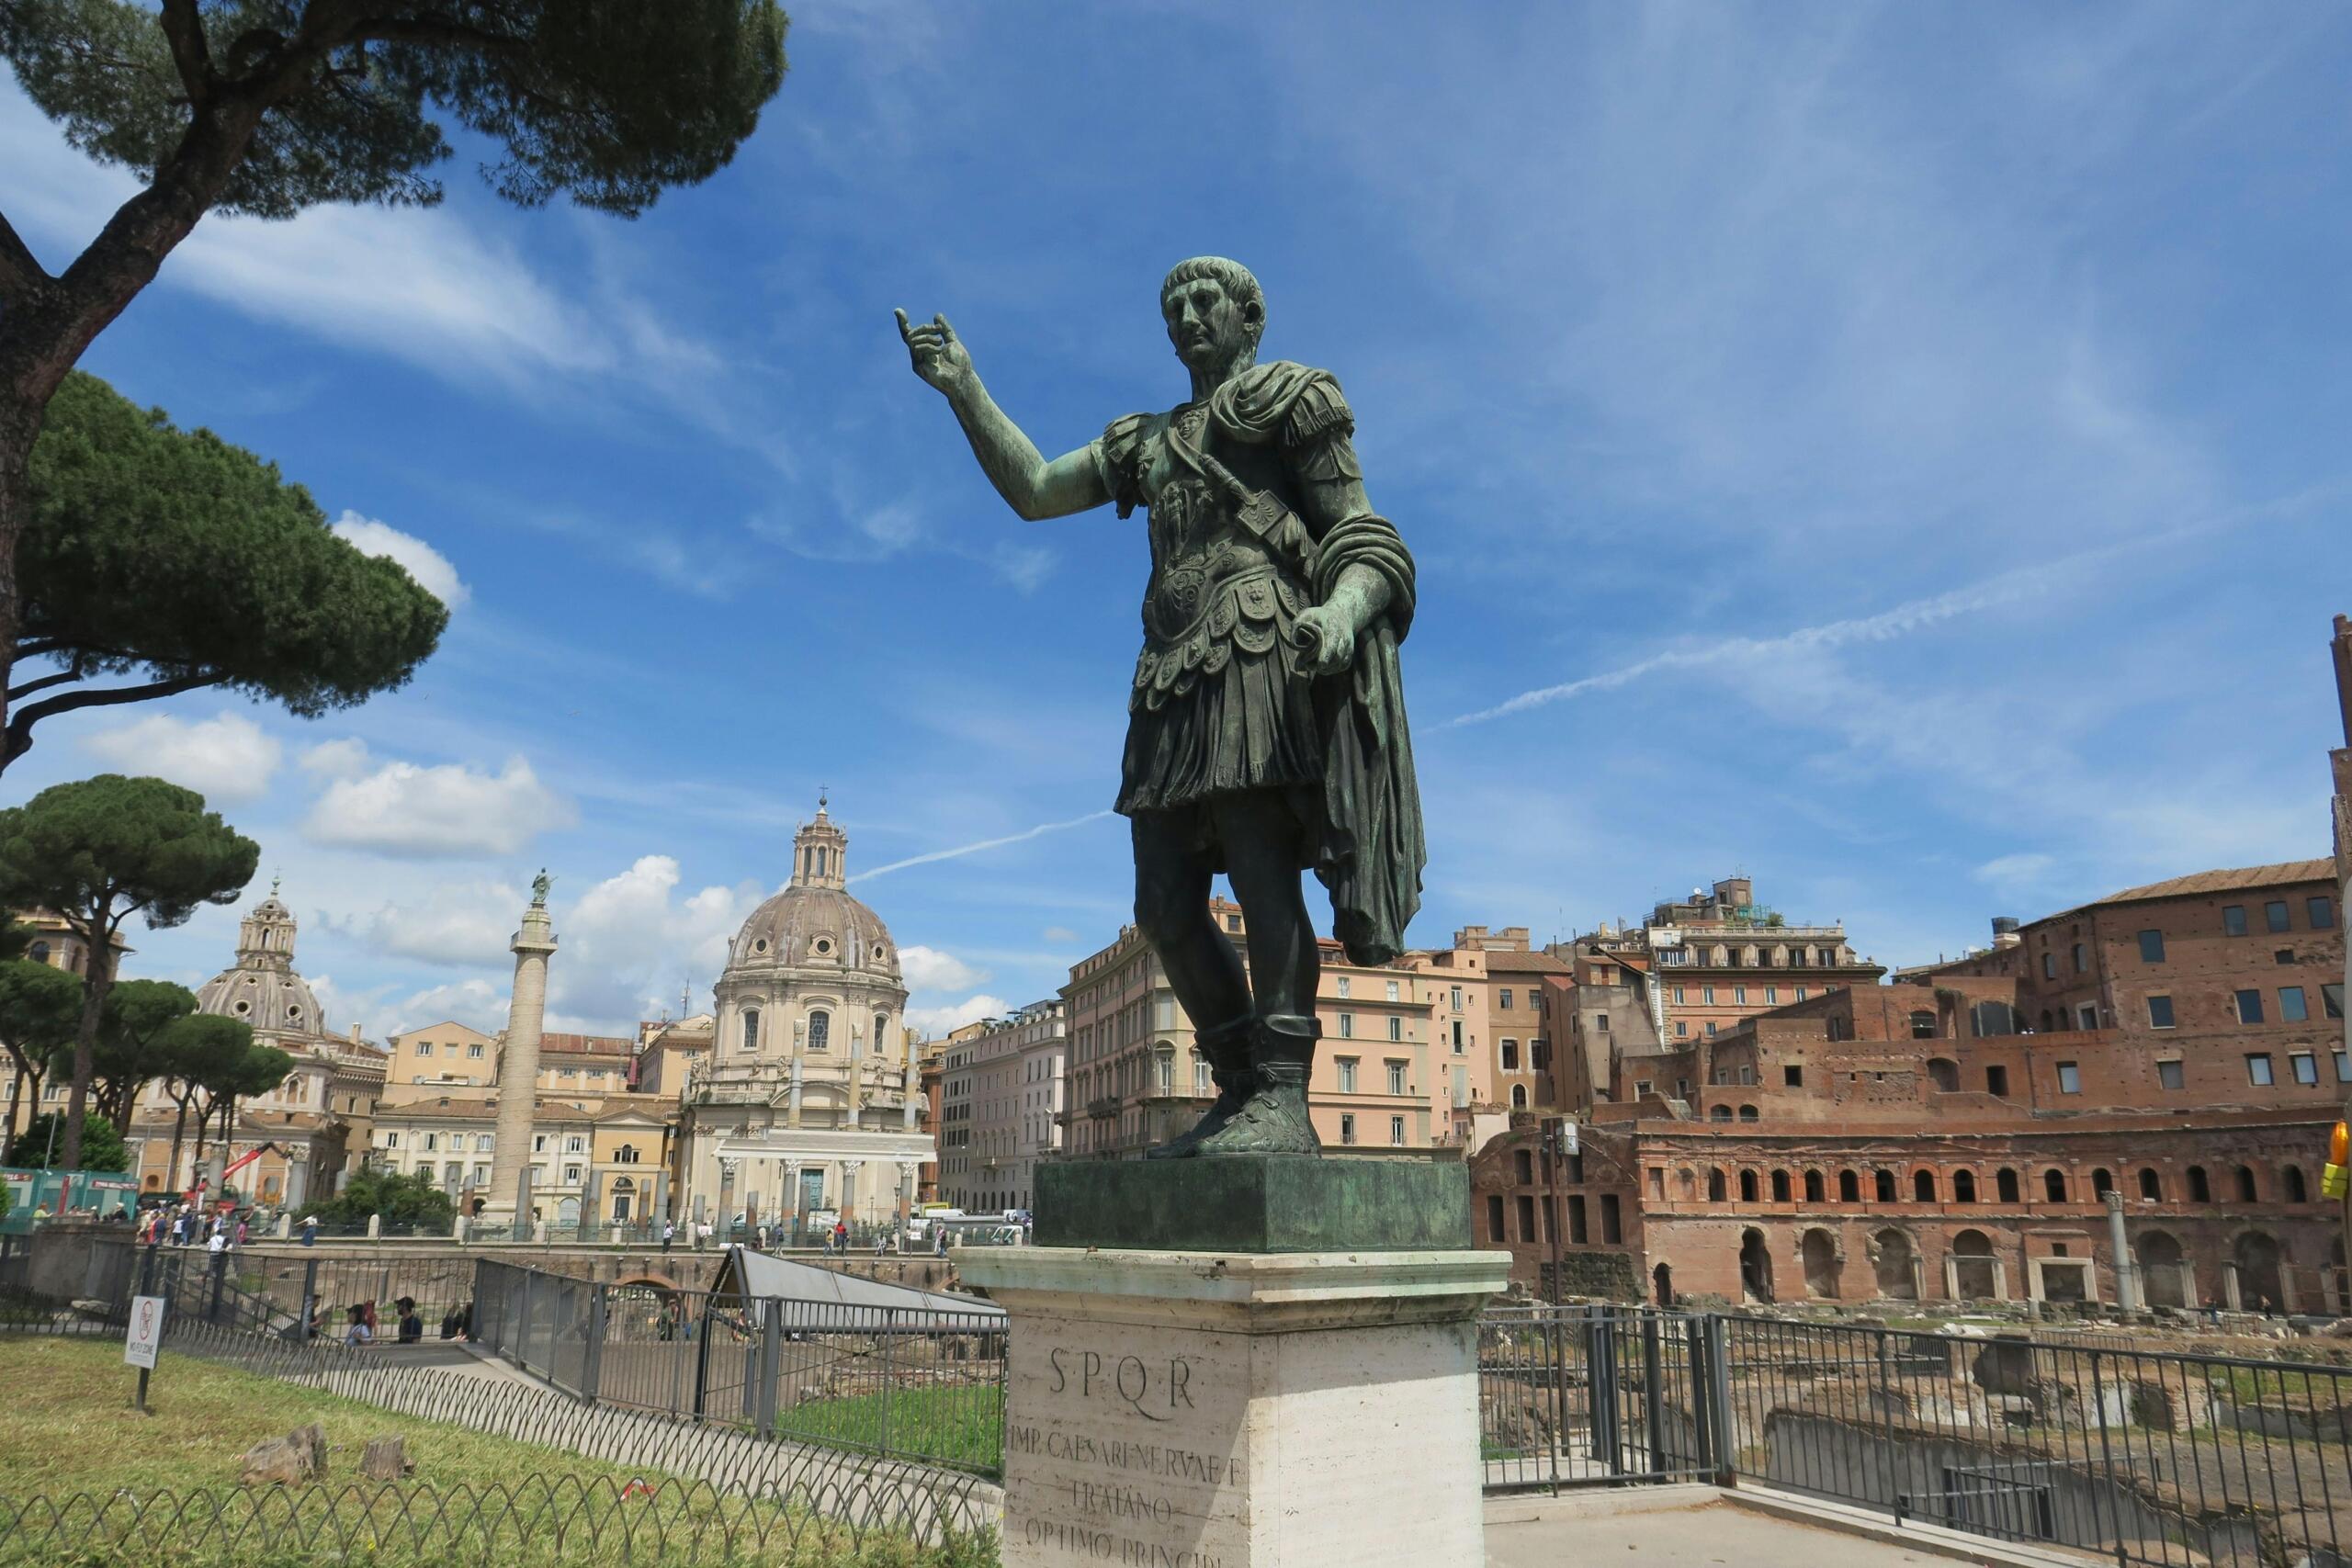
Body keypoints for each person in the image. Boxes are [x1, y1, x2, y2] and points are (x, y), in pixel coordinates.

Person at [898, 260, 1422, 1157]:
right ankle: (1239, 1083)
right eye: (1172, 305)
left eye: (1204, 300)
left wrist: (1341, 612)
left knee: (1261, 874)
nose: (1186, 315)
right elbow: (1037, 490)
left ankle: (1282, 1094)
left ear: (1249, 317)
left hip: (1259, 648)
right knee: (1163, 906)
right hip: (1169, 671)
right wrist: (964, 390)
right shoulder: (1148, 439)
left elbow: (1360, 533)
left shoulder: (1295, 399)